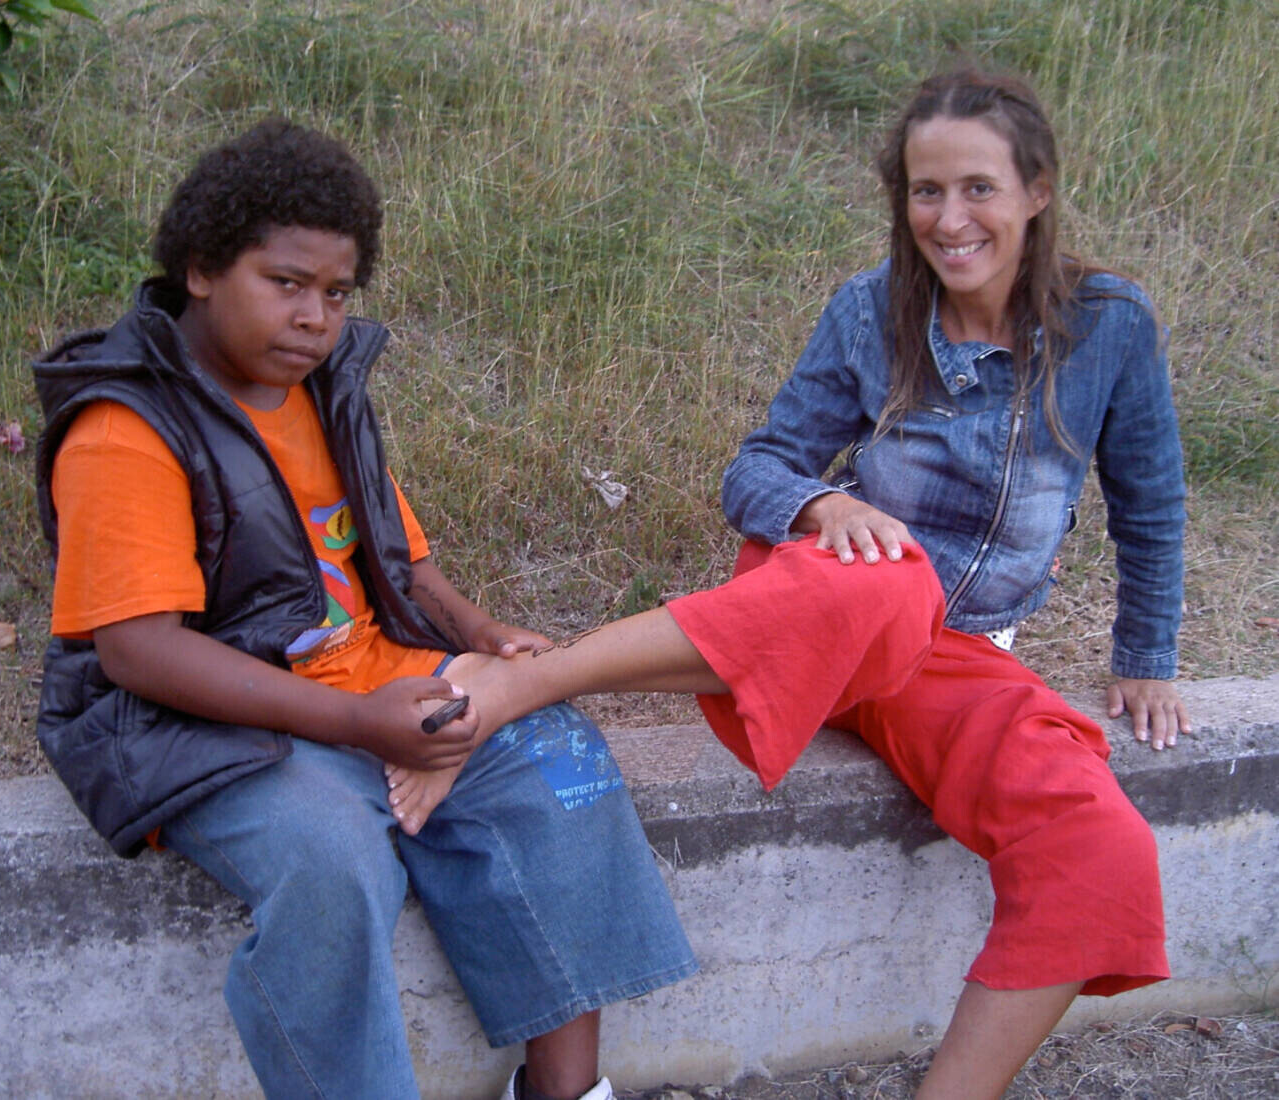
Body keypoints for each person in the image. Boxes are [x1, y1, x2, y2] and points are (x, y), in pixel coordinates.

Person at [390, 69, 1184, 1099]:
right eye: (924, 190)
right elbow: (754, 469)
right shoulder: (871, 311)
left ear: (1036, 188)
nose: (948, 219)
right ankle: (522, 683)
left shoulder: (1110, 325)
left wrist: (1147, 657)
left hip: (955, 661)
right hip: (823, 599)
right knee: (892, 582)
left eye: (977, 188)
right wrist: (823, 508)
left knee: (1100, 841)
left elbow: (1150, 498)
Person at [31, 120, 707, 1100]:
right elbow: (137, 651)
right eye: (286, 281)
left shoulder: (320, 389)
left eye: (336, 293)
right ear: (201, 269)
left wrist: (475, 632)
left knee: (553, 753)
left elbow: (392, 550)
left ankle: (565, 1087)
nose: (314, 316)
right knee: (335, 860)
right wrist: (356, 724)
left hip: (365, 681)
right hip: (207, 723)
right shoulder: (127, 425)